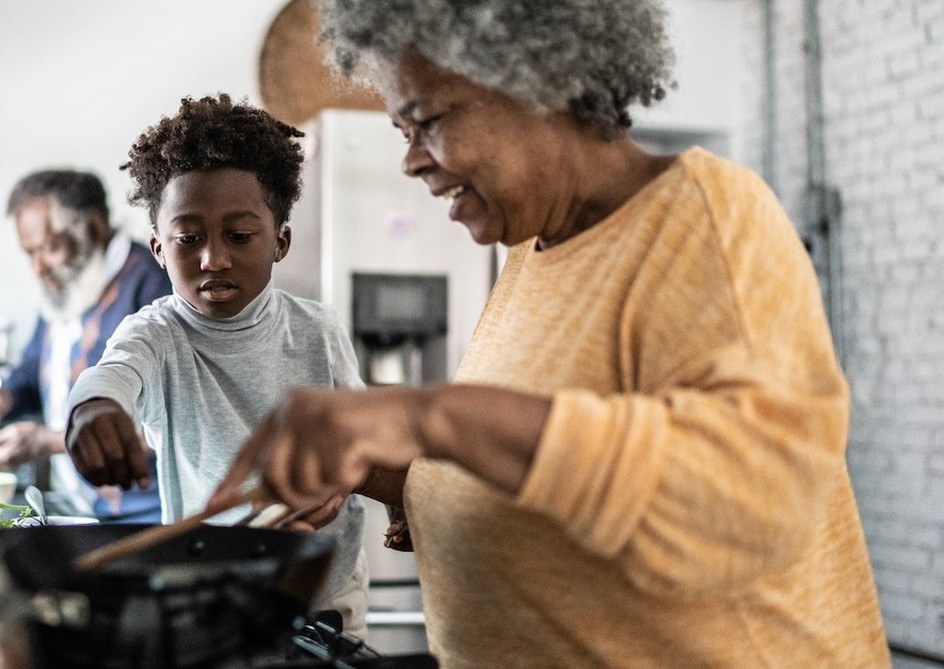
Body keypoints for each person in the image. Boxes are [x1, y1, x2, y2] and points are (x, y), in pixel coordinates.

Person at [207, 0, 892, 666]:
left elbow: (750, 499)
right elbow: (535, 462)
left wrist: (423, 414)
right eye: (401, 132)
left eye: (427, 121)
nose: (412, 160)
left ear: (538, 77)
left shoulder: (707, 218)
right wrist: (367, 466)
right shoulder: (530, 254)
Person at [63, 94, 369, 635]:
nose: (214, 258)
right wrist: (92, 409)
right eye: (188, 239)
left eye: (240, 236)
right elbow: (110, 376)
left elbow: (366, 438)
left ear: (280, 241)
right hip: (214, 603)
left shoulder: (318, 330)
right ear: (159, 249)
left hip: (327, 598)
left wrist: (384, 494)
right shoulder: (156, 334)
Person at [0, 169, 170, 522]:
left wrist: (49, 442)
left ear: (95, 228)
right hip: (83, 508)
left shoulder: (152, 288)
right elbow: (31, 366)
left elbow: (170, 422)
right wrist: (2, 397)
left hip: (147, 517)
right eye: (30, 254)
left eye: (50, 248)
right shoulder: (66, 285)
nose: (38, 268)